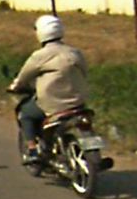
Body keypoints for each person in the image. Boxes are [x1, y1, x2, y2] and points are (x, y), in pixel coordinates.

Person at [8, 15, 89, 164]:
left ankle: (32, 149)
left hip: (52, 105)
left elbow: (23, 76)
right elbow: (84, 71)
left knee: (25, 114)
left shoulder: (39, 56)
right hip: (78, 102)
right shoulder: (74, 52)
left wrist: (15, 86)